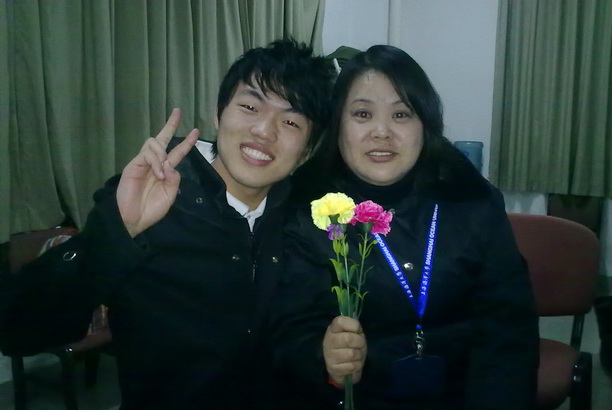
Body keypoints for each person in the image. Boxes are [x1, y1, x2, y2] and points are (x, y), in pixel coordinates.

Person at [0, 38, 334, 409]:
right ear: (218, 113)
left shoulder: (305, 219)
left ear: (307, 149)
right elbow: (18, 329)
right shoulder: (150, 199)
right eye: (250, 106)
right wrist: (117, 233)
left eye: (290, 121)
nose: (264, 131)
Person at [272, 45, 539, 409]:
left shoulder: (471, 199)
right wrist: (324, 357)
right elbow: (290, 330)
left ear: (425, 124)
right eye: (362, 114)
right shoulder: (310, 210)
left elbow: (508, 332)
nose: (381, 132)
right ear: (338, 125)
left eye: (401, 114)